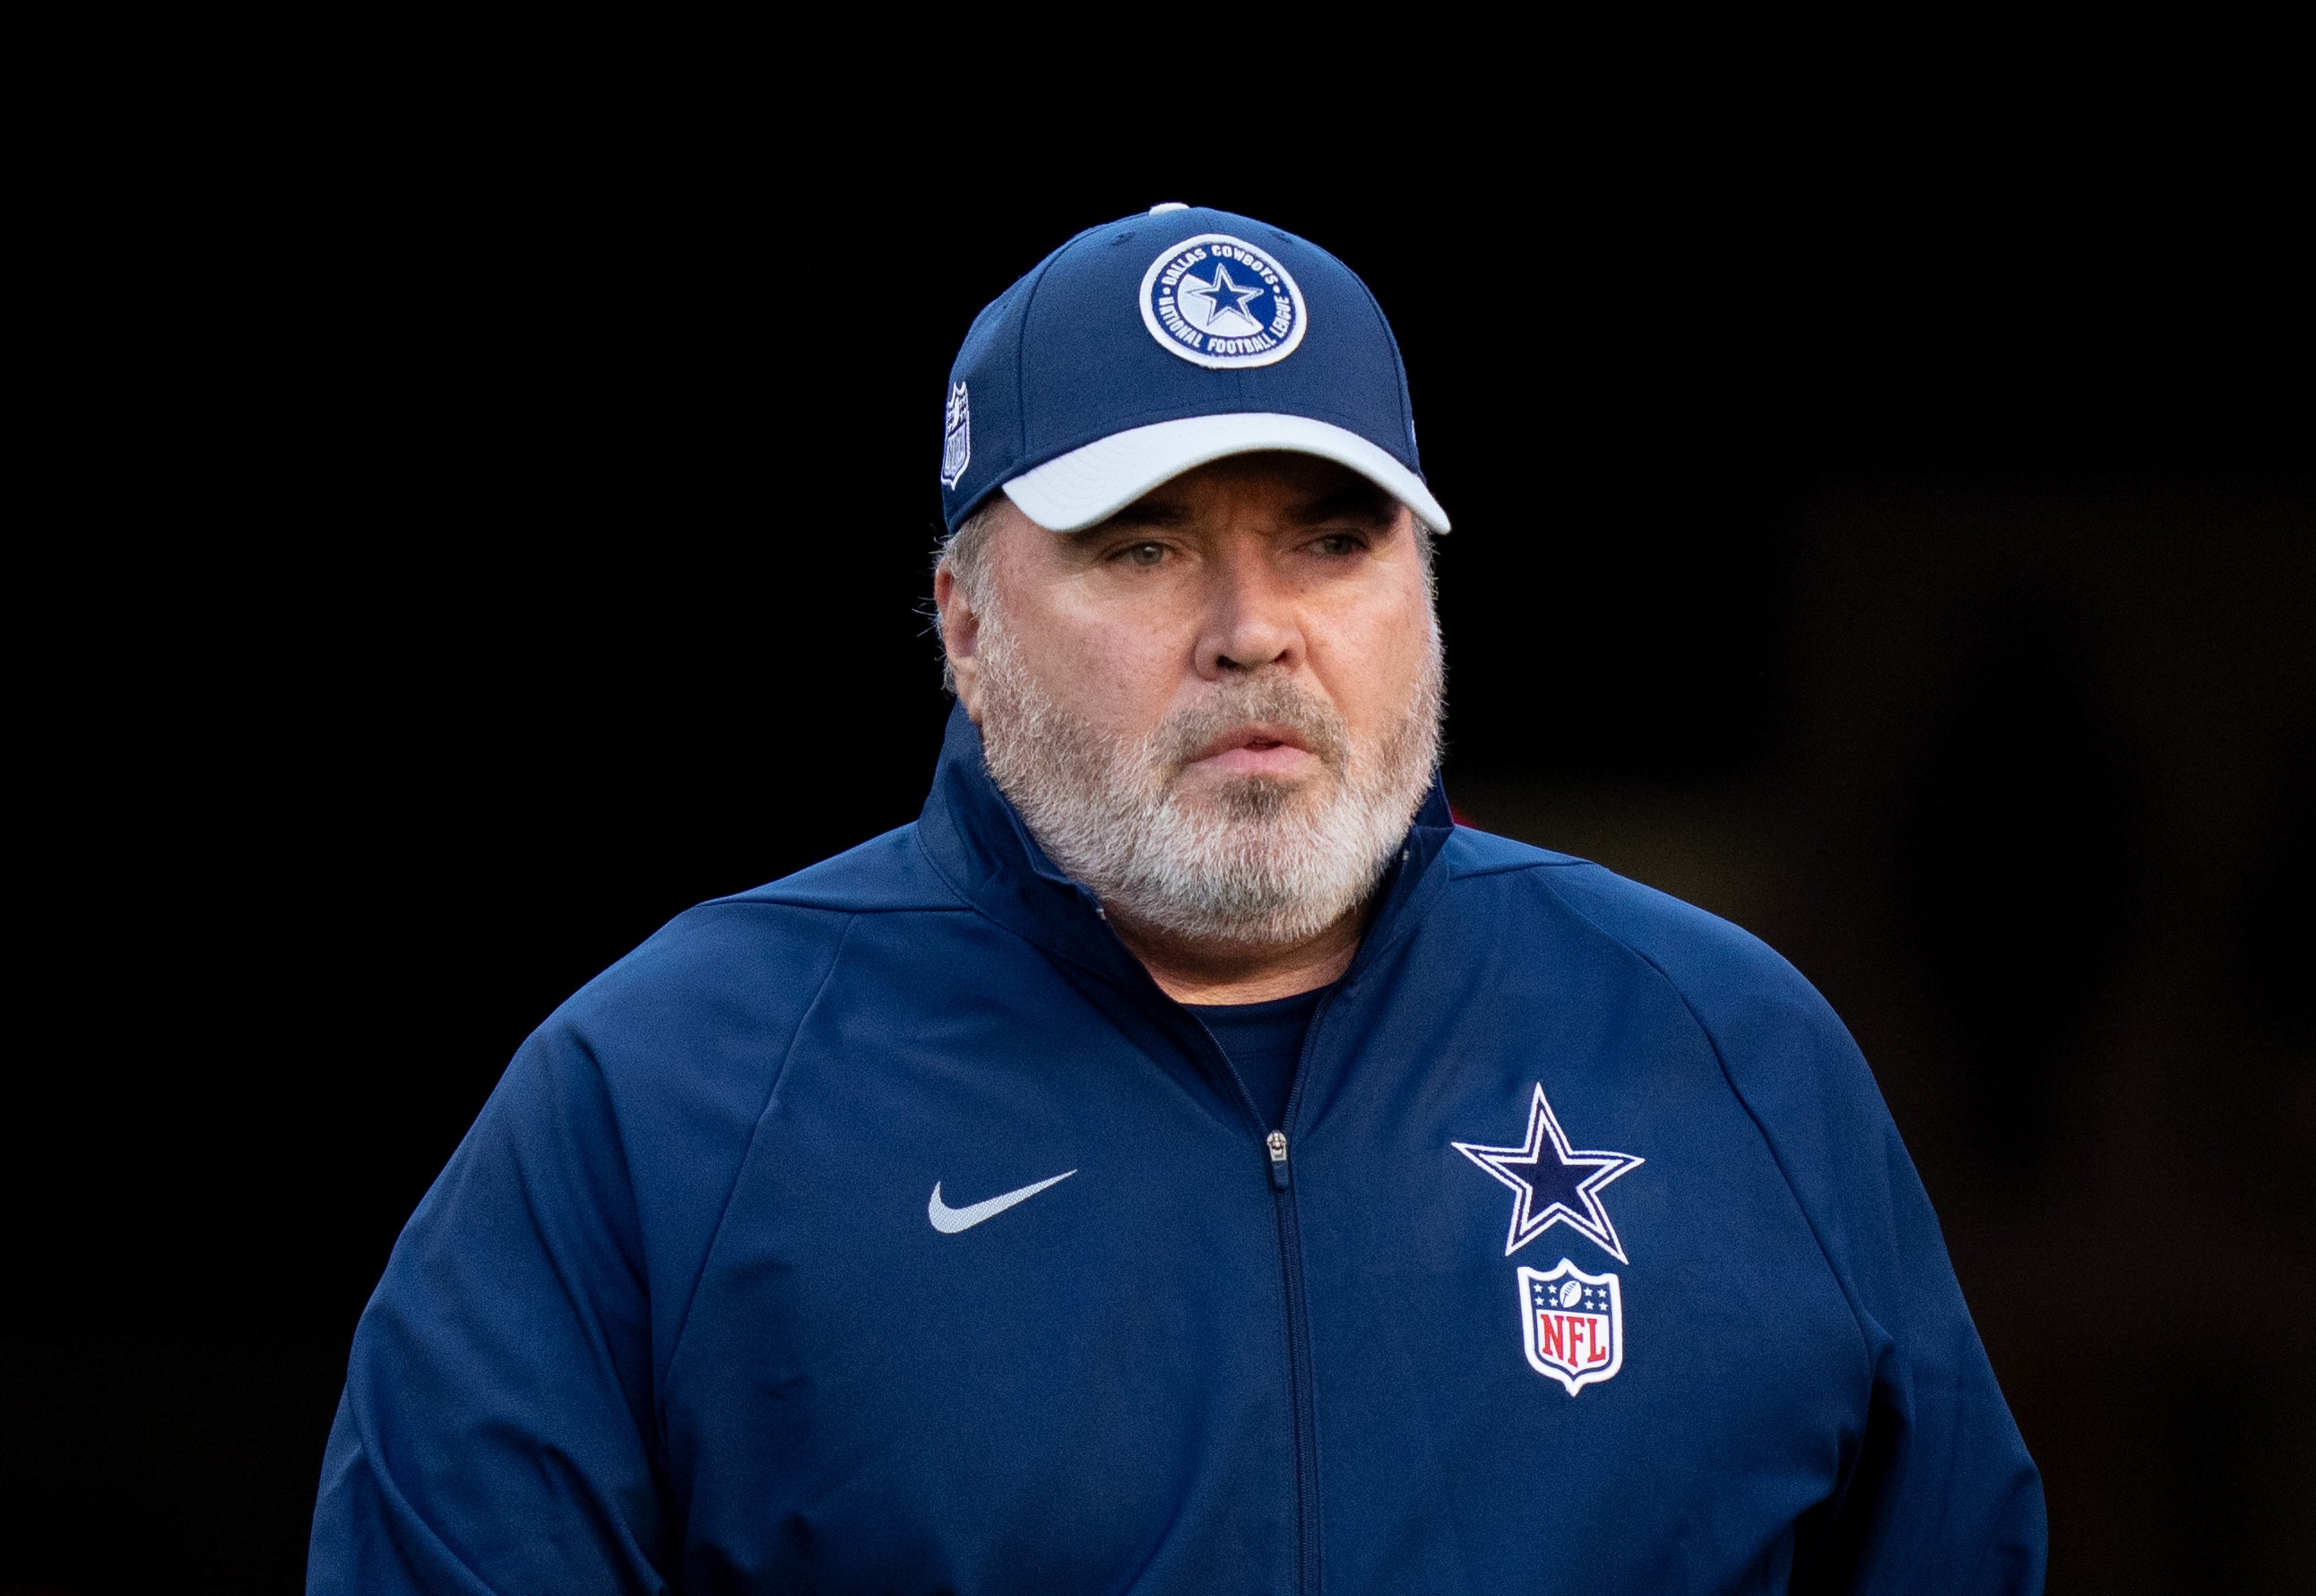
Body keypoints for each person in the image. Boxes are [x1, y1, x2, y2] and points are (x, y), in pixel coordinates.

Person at [309, 204, 2046, 1593]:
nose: (1251, 625)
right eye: (1140, 547)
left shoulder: (1721, 1051)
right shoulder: (665, 1102)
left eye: (1329, 537)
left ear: (1424, 590)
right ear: (965, 627)